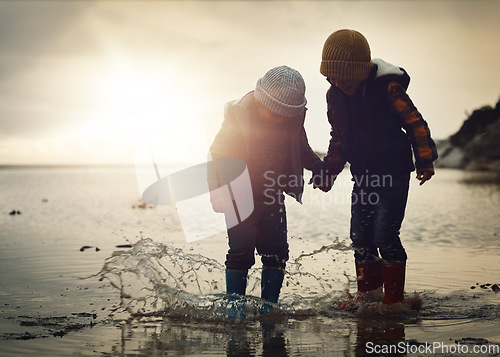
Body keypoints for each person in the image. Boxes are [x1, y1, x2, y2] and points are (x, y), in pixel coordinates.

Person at [318, 29, 438, 305]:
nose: (338, 81)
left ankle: (394, 300)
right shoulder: (334, 94)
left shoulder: (387, 88)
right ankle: (368, 297)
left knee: (385, 234)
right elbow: (340, 138)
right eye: (332, 76)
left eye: (344, 75)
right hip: (363, 175)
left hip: (393, 172)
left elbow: (415, 123)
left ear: (362, 70)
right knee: (360, 237)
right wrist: (329, 170)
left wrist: (424, 159)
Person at [208, 65, 326, 305]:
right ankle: (234, 307)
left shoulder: (291, 122)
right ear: (261, 102)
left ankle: (269, 306)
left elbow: (303, 151)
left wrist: (321, 169)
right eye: (275, 114)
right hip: (237, 196)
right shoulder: (238, 118)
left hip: (273, 195)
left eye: (286, 116)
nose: (280, 120)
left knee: (277, 253)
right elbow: (217, 154)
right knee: (241, 253)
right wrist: (217, 191)